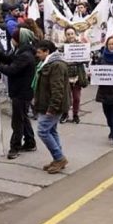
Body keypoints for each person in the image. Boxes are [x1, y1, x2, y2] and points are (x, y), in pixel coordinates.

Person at [0, 28, 37, 160]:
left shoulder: (25, 55)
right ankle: (30, 142)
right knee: (23, 117)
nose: (12, 39)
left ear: (19, 40)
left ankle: (15, 147)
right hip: (21, 91)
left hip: (21, 92)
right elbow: (9, 59)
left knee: (17, 121)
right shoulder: (21, 51)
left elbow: (11, 69)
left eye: (14, 37)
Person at [32, 40, 70, 174]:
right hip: (46, 104)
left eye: (39, 52)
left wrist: (52, 108)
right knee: (51, 131)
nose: (37, 55)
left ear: (47, 51)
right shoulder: (47, 64)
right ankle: (58, 158)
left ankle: (59, 158)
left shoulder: (57, 65)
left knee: (42, 130)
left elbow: (57, 89)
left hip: (53, 105)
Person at [60, 27, 89, 124]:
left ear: (75, 34)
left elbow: (87, 59)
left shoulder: (81, 46)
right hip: (66, 76)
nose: (70, 36)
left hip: (77, 76)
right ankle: (65, 114)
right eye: (68, 34)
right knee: (66, 98)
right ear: (65, 35)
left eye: (72, 33)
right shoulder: (62, 47)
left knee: (76, 98)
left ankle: (75, 115)